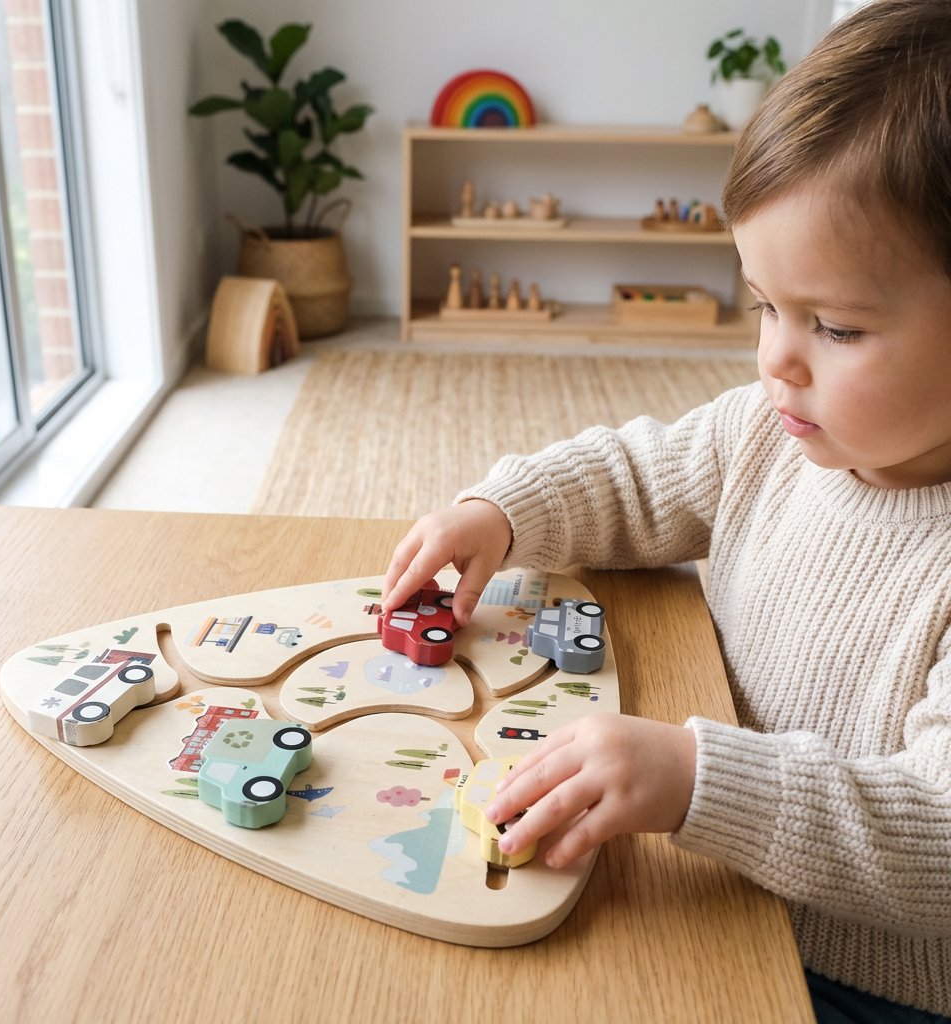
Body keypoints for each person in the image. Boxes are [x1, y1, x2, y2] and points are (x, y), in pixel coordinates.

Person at [381, 2, 951, 1019]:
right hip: (710, 875)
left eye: (834, 326)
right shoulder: (769, 431)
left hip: (866, 981)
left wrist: (698, 780)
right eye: (764, 306)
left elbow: (939, 837)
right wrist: (500, 510)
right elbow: (637, 475)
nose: (775, 357)